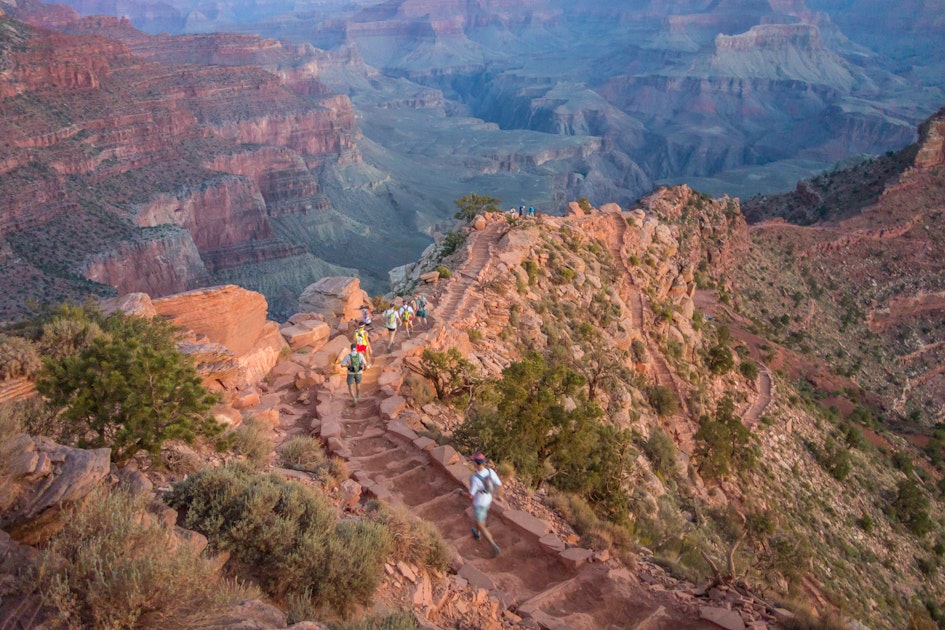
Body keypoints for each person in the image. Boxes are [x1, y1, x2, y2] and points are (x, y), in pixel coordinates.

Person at [468, 451, 502, 557]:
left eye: (473, 462)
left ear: (475, 463)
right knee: (479, 520)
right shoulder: (490, 471)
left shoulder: (475, 478)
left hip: (479, 503)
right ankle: (477, 533)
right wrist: (499, 496)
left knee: (481, 525)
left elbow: (471, 495)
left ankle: (494, 546)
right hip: (488, 500)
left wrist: (462, 493)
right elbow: (499, 485)